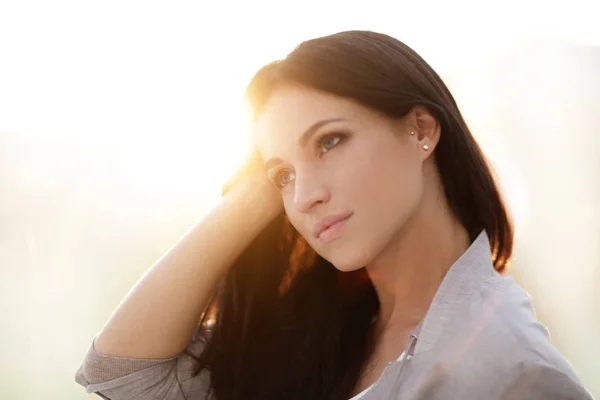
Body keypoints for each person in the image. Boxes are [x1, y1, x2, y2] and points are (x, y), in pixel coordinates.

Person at [74, 30, 593, 400]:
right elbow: (124, 371)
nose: (304, 199)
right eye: (283, 177)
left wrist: (285, 166)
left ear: (420, 130)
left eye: (330, 141)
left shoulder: (515, 373)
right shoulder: (312, 332)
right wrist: (258, 190)